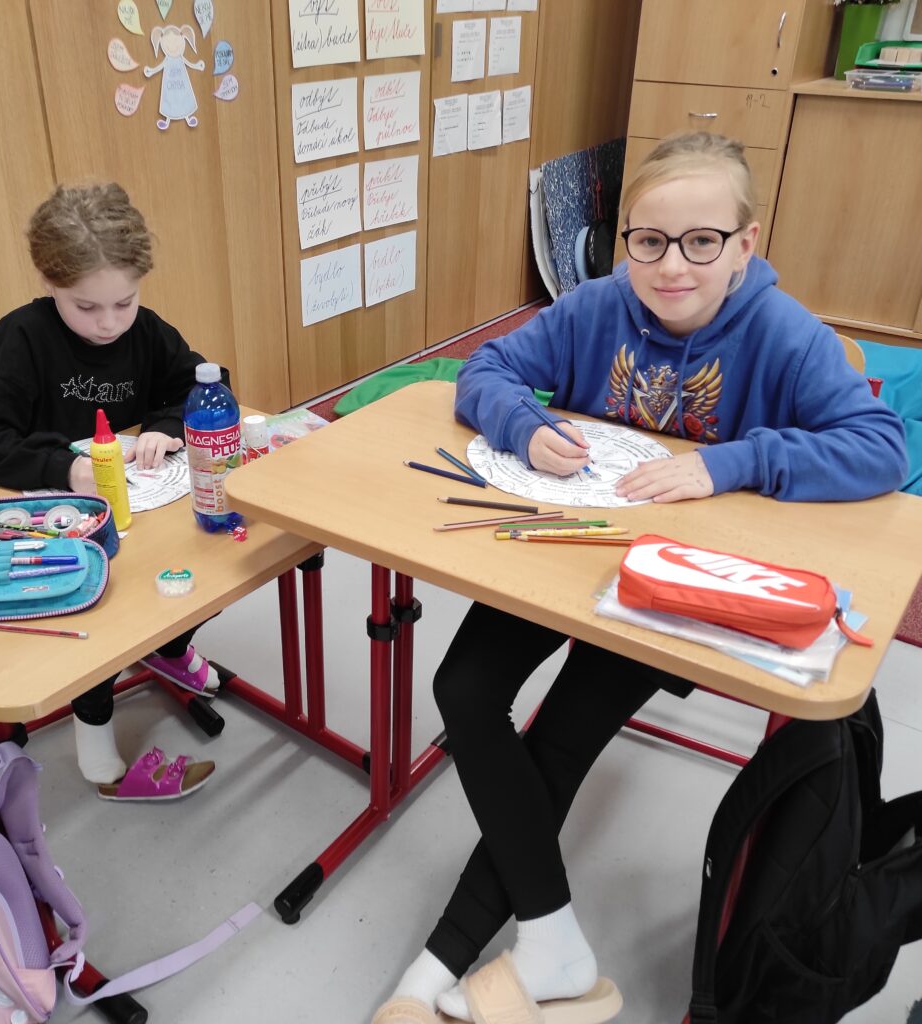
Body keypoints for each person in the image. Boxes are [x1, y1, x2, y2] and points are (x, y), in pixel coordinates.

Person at [373, 131, 908, 1024]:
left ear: (745, 244)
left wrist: (730, 462)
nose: (671, 266)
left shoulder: (783, 332)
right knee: (462, 688)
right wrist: (521, 425)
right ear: (625, 241)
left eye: (702, 241)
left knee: (562, 733)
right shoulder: (596, 305)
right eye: (649, 241)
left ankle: (447, 960)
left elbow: (881, 449)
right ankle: (552, 940)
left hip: (670, 584)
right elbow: (487, 369)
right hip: (570, 543)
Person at [0, 181, 221, 801]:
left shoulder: (145, 331)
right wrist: (64, 469)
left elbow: (201, 382)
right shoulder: (22, 339)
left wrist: (163, 427)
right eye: (86, 307)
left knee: (215, 559)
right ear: (50, 283)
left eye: (123, 303)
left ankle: (169, 646)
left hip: (139, 509)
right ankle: (100, 760)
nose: (108, 323)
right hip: (56, 526)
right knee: (97, 610)